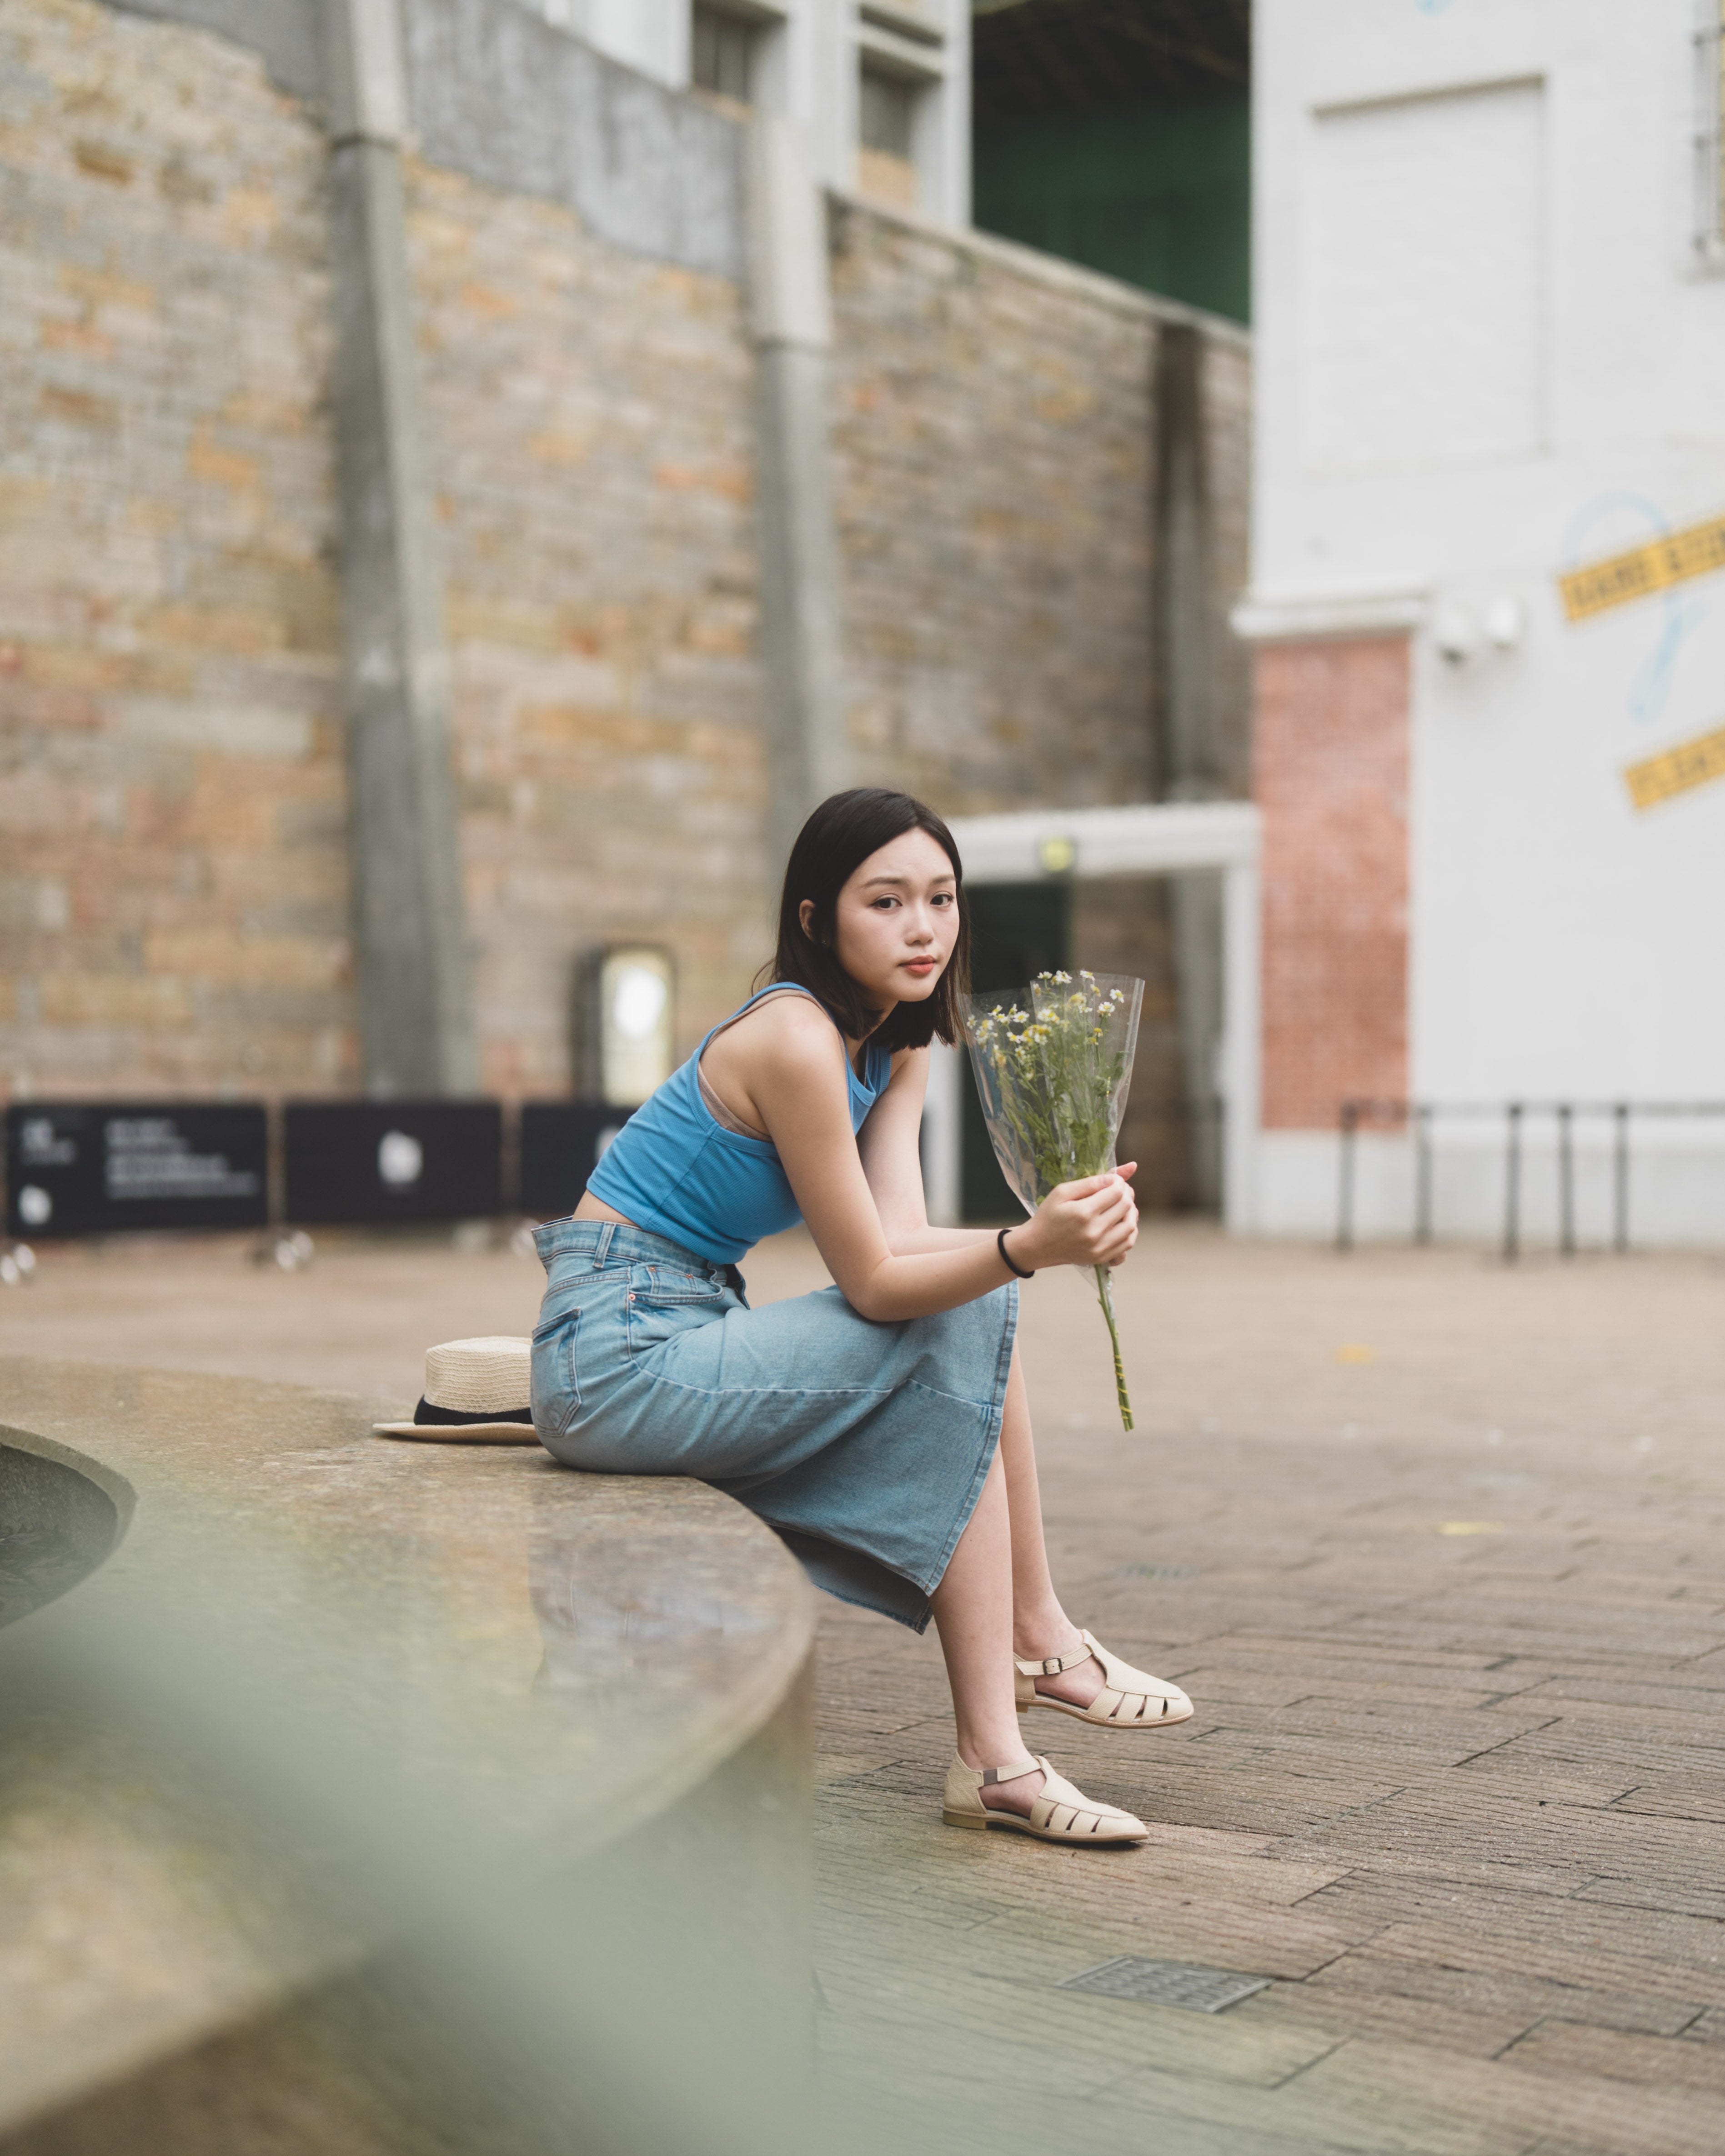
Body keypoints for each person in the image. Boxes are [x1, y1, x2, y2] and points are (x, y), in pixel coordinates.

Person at [531, 789, 1192, 1846]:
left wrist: (1051, 1223)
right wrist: (1028, 1247)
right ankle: (1022, 1683)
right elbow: (881, 1283)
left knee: (974, 1307)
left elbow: (904, 1235)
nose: (923, 927)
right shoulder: (795, 1038)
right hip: (614, 1353)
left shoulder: (894, 1042)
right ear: (814, 919)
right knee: (971, 1303)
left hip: (692, 1321)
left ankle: (1011, 1712)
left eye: (941, 897)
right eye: (885, 901)